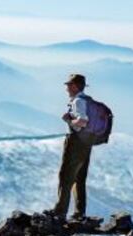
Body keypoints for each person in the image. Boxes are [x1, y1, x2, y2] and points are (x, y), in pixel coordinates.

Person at [46, 74, 95, 221]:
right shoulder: (88, 100)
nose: (67, 88)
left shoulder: (78, 101)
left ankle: (60, 212)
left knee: (66, 176)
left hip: (75, 141)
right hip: (87, 142)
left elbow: (83, 121)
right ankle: (80, 213)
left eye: (68, 85)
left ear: (74, 86)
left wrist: (69, 120)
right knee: (80, 178)